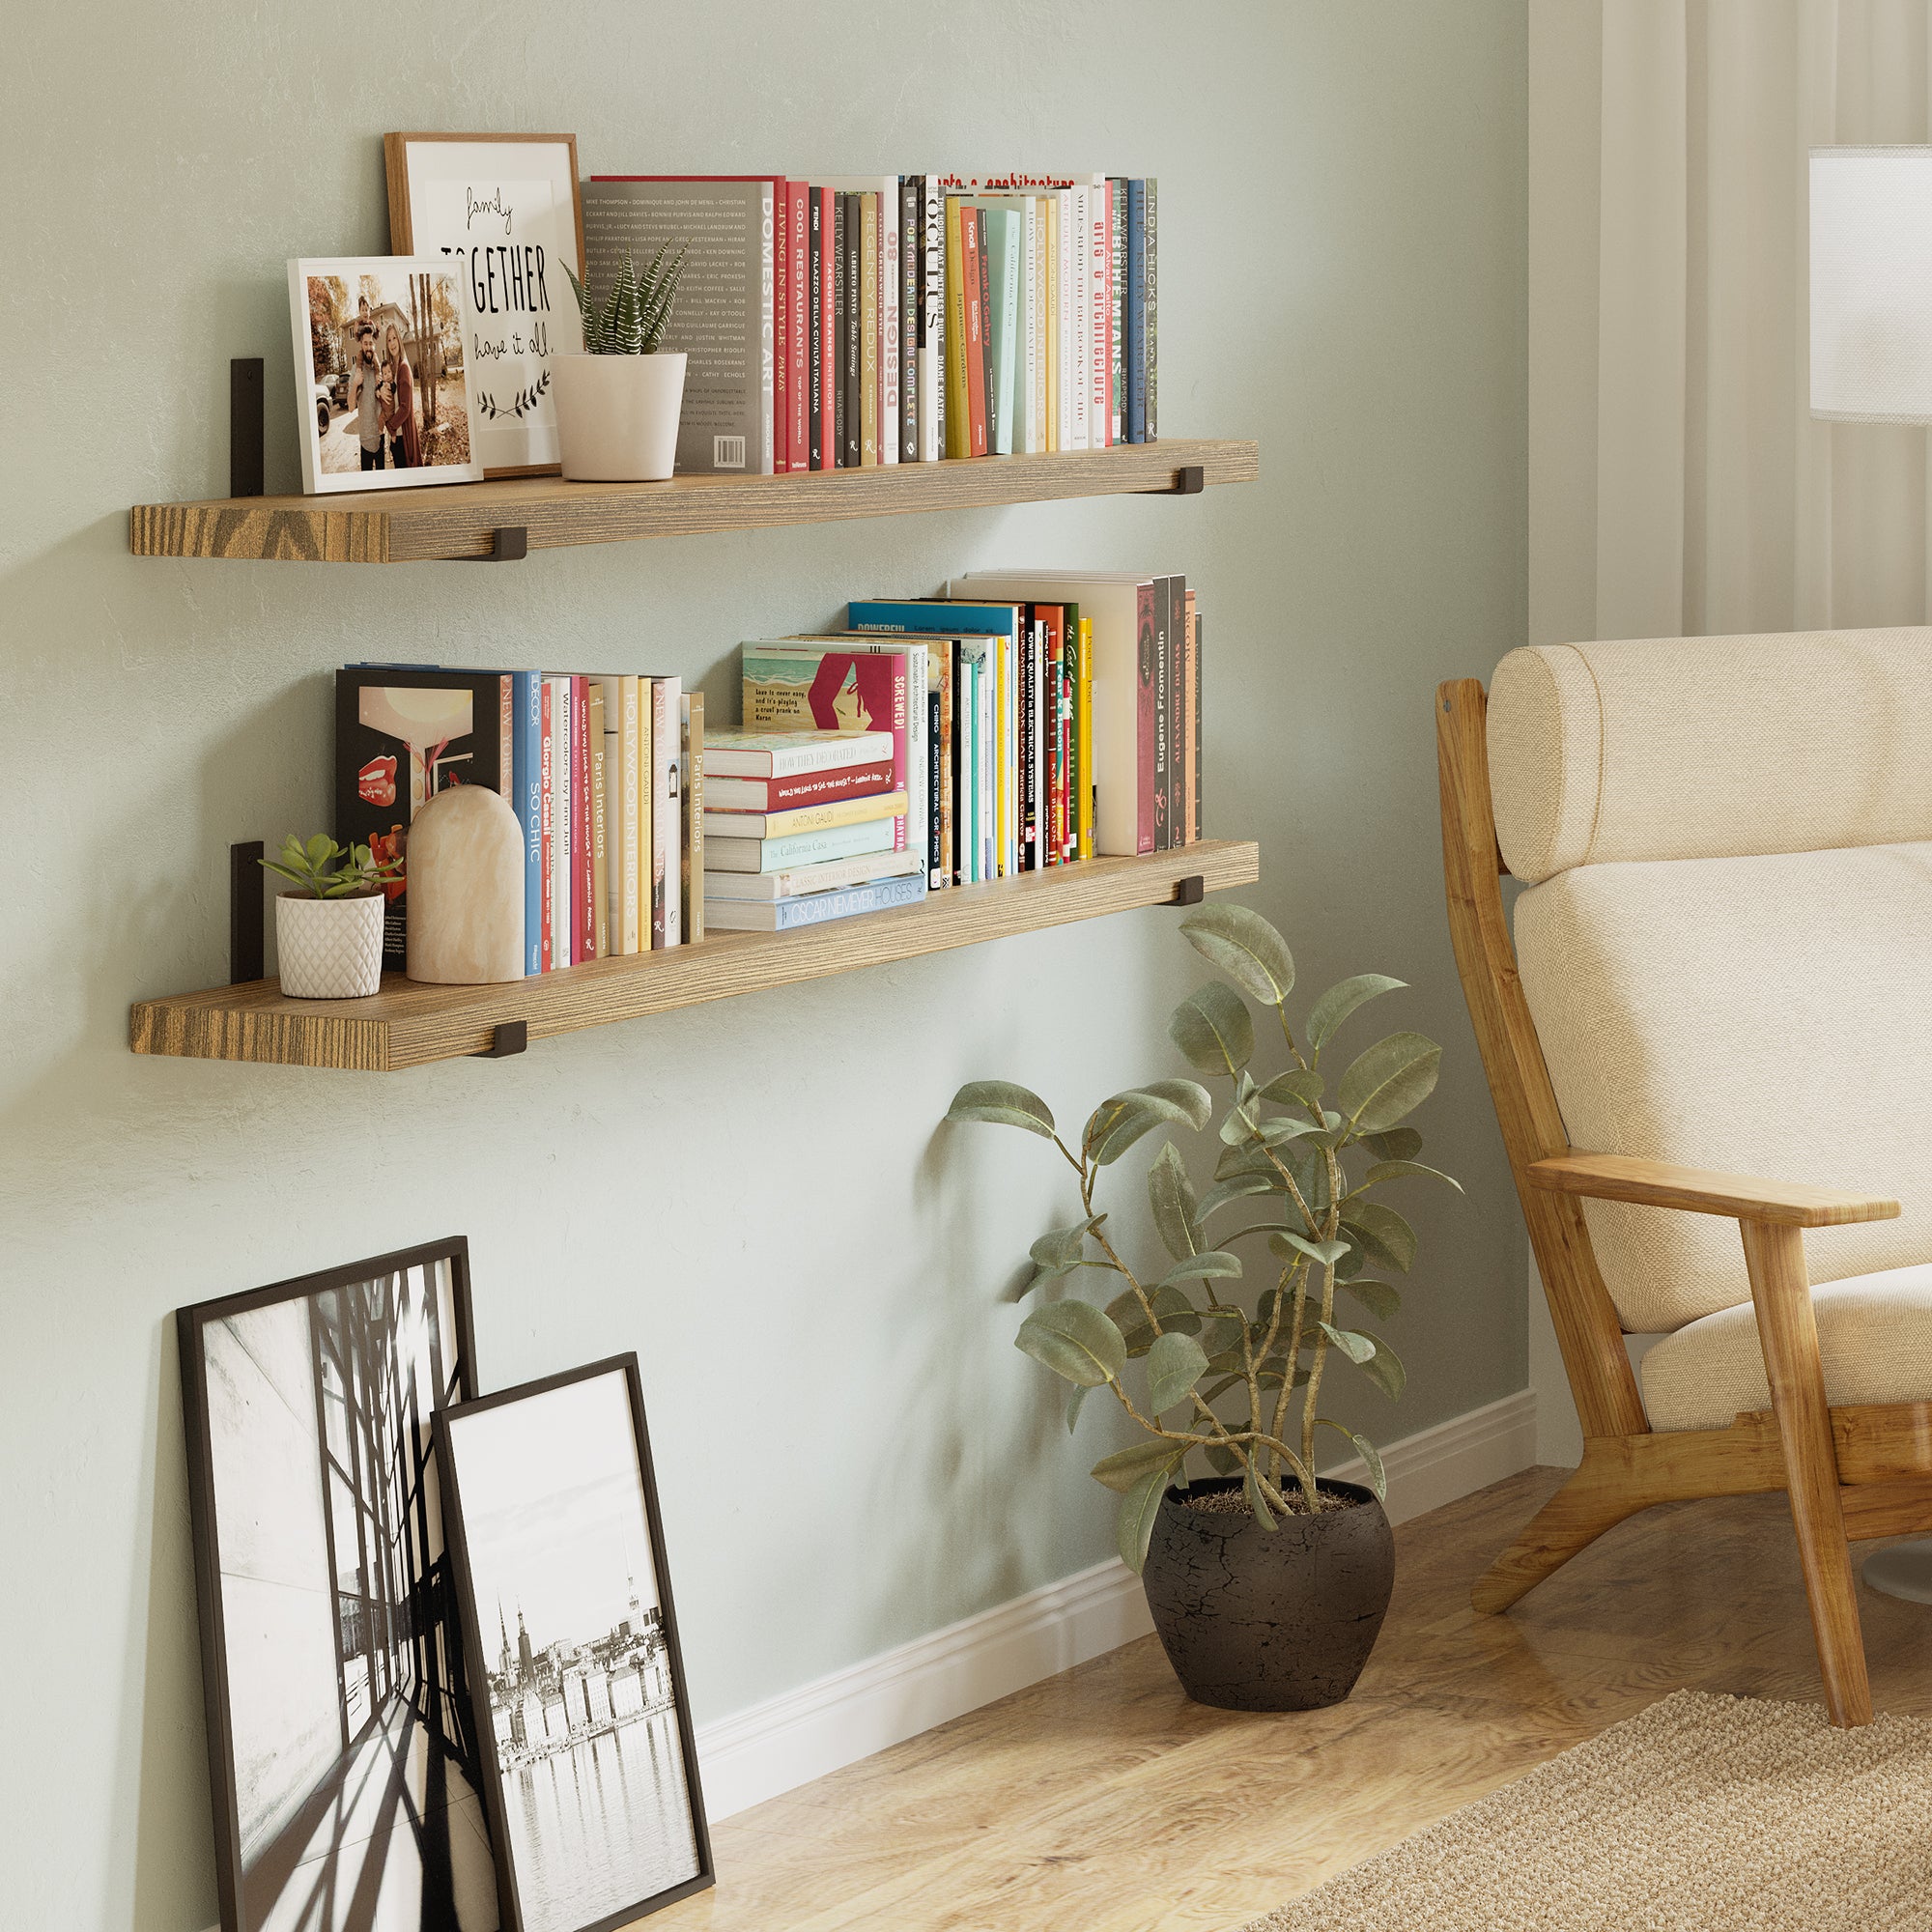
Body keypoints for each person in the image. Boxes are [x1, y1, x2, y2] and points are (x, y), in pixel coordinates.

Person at [346, 324, 384, 471]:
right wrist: (355, 384)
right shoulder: (356, 370)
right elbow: (350, 408)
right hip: (365, 439)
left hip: (380, 436)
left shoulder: (378, 369)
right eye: (365, 343)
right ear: (361, 344)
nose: (368, 347)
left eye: (370, 343)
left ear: (374, 344)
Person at [383, 323, 420, 469]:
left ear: (399, 339)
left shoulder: (403, 367)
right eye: (389, 340)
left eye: (394, 338)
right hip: (396, 435)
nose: (392, 343)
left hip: (402, 436)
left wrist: (389, 426)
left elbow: (405, 408)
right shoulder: (392, 368)